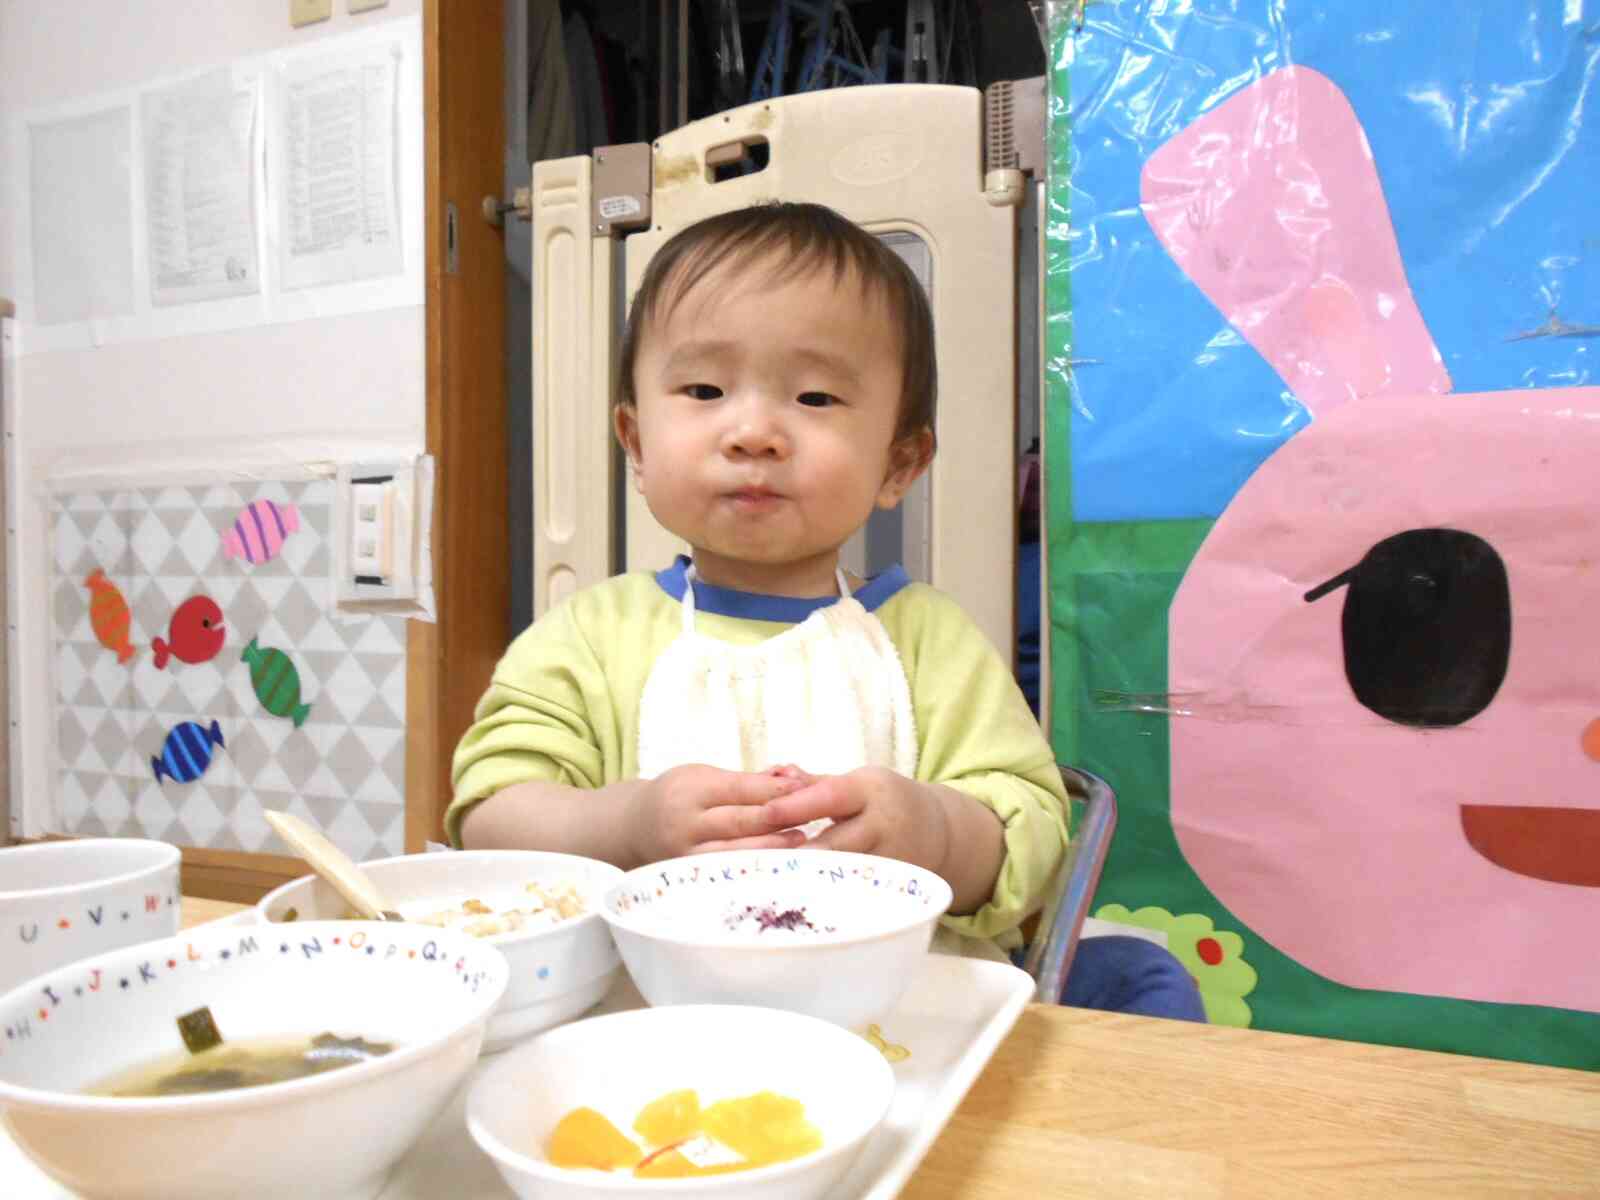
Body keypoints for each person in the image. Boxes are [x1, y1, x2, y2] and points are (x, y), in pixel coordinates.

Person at [448, 200, 1205, 1014]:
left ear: (900, 462)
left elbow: (1030, 835)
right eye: (704, 388)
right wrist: (627, 824)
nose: (755, 432)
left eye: (814, 398)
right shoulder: (586, 638)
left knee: (1145, 987)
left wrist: (934, 832)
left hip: (904, 1019)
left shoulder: (927, 641)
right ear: (636, 444)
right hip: (656, 1029)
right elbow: (491, 817)